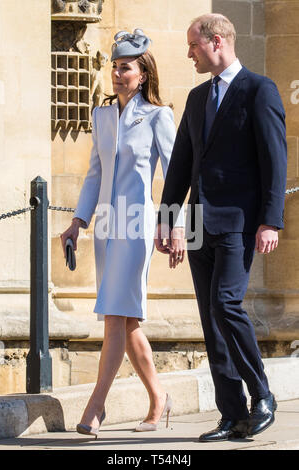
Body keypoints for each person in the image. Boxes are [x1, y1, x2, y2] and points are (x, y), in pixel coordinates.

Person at [155, 13, 287, 442]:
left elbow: (274, 158)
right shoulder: (196, 98)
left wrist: (271, 220)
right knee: (211, 320)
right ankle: (231, 414)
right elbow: (180, 166)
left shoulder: (258, 90)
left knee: (227, 304)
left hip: (240, 222)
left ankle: (262, 394)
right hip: (198, 225)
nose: (189, 53)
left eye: (193, 45)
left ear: (215, 41)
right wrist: (167, 218)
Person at [60, 28, 184, 438]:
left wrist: (176, 226)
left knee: (115, 315)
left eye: (125, 68)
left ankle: (96, 407)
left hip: (137, 228)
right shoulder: (102, 115)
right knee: (125, 320)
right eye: (114, 67)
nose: (116, 74)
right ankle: (158, 397)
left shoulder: (159, 116)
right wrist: (78, 222)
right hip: (106, 229)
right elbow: (94, 175)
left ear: (143, 73)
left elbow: (176, 175)